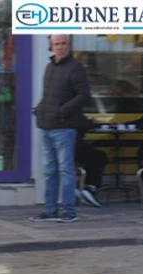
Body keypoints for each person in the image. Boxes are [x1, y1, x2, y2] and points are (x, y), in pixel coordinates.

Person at [32, 35, 91, 222]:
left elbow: (84, 95)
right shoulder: (50, 67)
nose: (61, 47)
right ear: (51, 47)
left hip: (64, 126)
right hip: (47, 125)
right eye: (57, 44)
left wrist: (62, 111)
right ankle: (50, 209)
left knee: (65, 170)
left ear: (70, 46)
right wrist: (41, 110)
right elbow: (48, 95)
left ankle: (69, 210)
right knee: (50, 170)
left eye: (64, 43)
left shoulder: (75, 67)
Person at [74, 115, 106, 207]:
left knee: (92, 156)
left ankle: (84, 186)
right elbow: (83, 123)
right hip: (73, 149)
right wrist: (92, 121)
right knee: (99, 157)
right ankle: (90, 187)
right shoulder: (73, 109)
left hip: (66, 148)